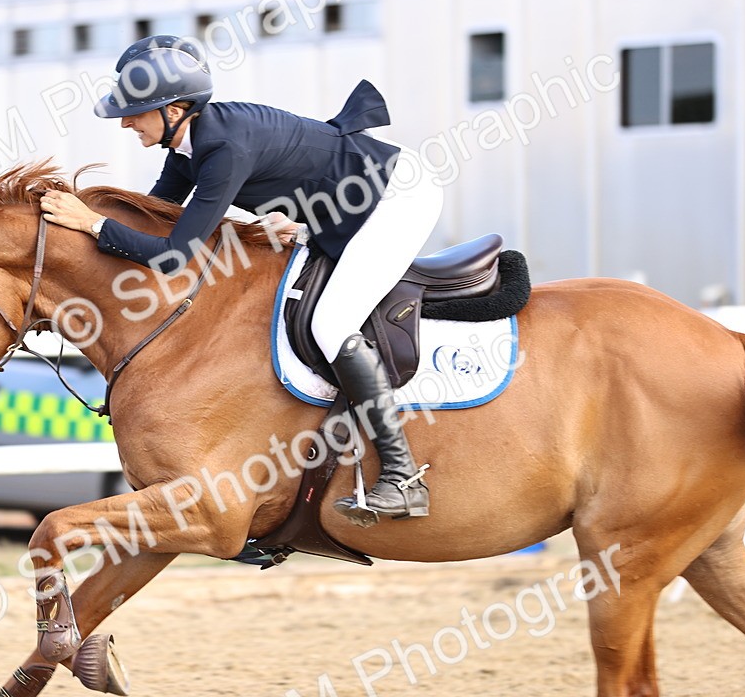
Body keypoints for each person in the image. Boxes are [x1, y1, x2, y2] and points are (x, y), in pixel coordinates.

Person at [39, 35, 444, 523]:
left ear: (177, 109)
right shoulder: (191, 142)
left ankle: (402, 478)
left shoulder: (223, 147)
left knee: (330, 324)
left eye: (134, 112)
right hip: (346, 205)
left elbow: (174, 256)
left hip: (396, 200)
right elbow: (156, 217)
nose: (125, 122)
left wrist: (91, 224)